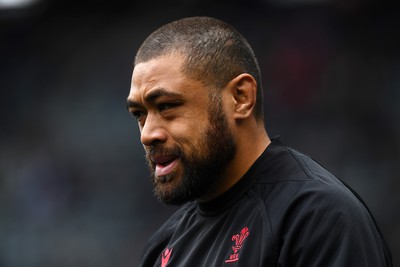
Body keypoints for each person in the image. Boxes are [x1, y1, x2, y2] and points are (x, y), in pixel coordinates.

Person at [126, 16, 392, 267]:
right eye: (139, 114)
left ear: (240, 98)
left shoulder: (317, 217)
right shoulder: (164, 247)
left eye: (167, 106)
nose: (147, 134)